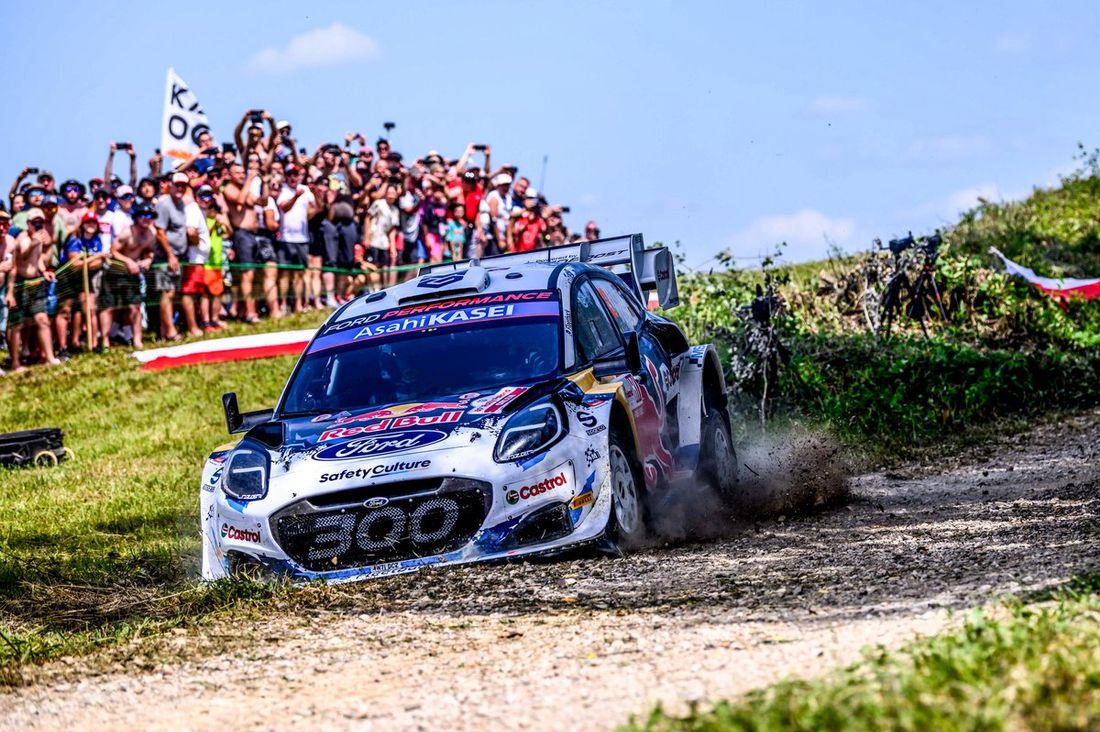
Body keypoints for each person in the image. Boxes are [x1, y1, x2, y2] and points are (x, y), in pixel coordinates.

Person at [5, 208, 60, 369]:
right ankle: (15, 362)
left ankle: (50, 358)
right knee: (17, 325)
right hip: (20, 285)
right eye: (34, 222)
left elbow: (38, 259)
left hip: (36, 283)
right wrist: (33, 243)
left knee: (42, 320)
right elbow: (22, 256)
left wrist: (44, 271)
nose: (37, 225)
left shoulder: (40, 236)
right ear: (28, 223)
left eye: (40, 222)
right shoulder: (23, 238)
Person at [56, 212, 108, 353]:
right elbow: (74, 264)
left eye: (93, 222)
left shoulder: (97, 240)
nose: (90, 225)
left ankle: (94, 343)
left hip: (85, 277)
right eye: (88, 222)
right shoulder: (75, 239)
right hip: (67, 277)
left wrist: (88, 262)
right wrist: (93, 258)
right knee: (66, 311)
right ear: (83, 224)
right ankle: (64, 346)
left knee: (89, 309)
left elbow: (98, 263)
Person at [222, 162, 266, 323]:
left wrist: (265, 183)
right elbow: (240, 202)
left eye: (243, 172)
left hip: (253, 235)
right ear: (230, 174)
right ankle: (249, 312)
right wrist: (250, 179)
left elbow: (263, 202)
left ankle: (247, 310)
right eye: (238, 173)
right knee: (246, 275)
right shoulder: (229, 188)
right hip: (241, 235)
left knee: (252, 275)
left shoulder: (245, 189)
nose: (241, 175)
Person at [111, 202, 156, 349]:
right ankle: (111, 336)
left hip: (134, 273)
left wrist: (148, 259)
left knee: (134, 306)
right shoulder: (127, 232)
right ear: (136, 217)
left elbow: (150, 250)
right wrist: (128, 261)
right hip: (117, 271)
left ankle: (137, 339)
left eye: (149, 216)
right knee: (115, 307)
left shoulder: (151, 234)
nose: (146, 219)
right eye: (143, 215)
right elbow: (113, 251)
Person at [152, 172, 189, 340]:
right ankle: (170, 332)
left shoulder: (181, 204)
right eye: (177, 185)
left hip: (177, 256)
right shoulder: (165, 204)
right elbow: (160, 232)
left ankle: (164, 330)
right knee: (167, 293)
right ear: (171, 186)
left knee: (172, 293)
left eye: (183, 185)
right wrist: (170, 255)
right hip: (166, 257)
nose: (180, 188)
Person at [276, 164, 316, 313]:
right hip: (286, 239)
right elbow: (284, 208)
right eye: (290, 174)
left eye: (296, 174)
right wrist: (296, 196)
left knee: (300, 274)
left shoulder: (305, 189)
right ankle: (284, 304)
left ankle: (298, 304)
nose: (293, 177)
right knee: (285, 274)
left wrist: (317, 195)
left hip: (302, 238)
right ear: (286, 176)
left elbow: (314, 209)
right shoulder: (284, 190)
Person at [179, 186, 211, 337]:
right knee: (189, 294)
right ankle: (192, 327)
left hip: (198, 260)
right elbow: (191, 231)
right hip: (193, 260)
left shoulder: (198, 210)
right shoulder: (193, 208)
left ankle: (198, 324)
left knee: (198, 294)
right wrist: (198, 243)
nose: (206, 199)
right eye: (203, 195)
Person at [196, 186, 230, 331]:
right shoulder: (205, 220)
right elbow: (204, 237)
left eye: (216, 209)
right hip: (206, 263)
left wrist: (225, 222)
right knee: (205, 294)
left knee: (217, 294)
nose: (214, 211)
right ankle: (206, 322)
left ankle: (215, 320)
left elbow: (228, 234)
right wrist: (214, 223)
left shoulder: (219, 221)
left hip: (217, 263)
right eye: (212, 209)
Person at [363, 185, 399, 289]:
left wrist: (393, 246)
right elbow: (367, 218)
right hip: (374, 239)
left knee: (384, 267)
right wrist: (366, 237)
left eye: (393, 193)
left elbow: (392, 230)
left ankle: (381, 290)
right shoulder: (378, 203)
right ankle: (373, 290)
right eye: (389, 192)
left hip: (384, 242)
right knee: (373, 266)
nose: (391, 195)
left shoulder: (395, 210)